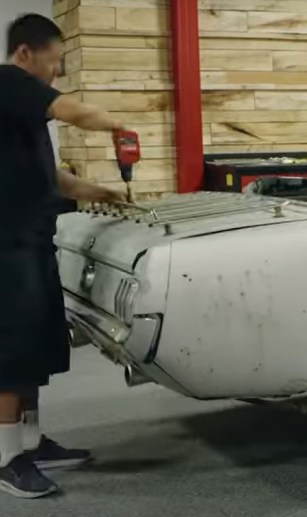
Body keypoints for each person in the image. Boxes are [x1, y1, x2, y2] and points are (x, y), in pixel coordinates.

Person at [0, 13, 128, 499]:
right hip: (5, 247)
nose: (55, 75)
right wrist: (115, 123)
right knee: (11, 352)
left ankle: (29, 440)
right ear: (26, 53)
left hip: (31, 241)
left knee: (35, 345)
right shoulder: (7, 81)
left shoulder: (20, 114)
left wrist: (101, 191)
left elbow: (50, 178)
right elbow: (74, 112)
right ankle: (6, 456)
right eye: (53, 64)